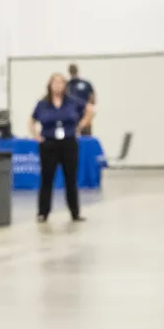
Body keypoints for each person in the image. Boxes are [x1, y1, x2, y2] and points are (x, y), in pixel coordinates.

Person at [31, 73, 94, 223]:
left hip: (68, 142)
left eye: (61, 83)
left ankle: (75, 212)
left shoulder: (72, 101)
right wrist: (35, 134)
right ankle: (43, 213)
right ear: (50, 85)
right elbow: (32, 119)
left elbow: (90, 109)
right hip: (49, 143)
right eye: (55, 83)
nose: (58, 86)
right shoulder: (42, 104)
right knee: (47, 179)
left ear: (65, 86)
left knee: (70, 178)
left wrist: (81, 126)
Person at [67, 63, 96, 134]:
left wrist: (89, 112)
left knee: (86, 137)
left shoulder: (85, 84)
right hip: (71, 117)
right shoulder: (67, 85)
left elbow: (92, 99)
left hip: (84, 115)